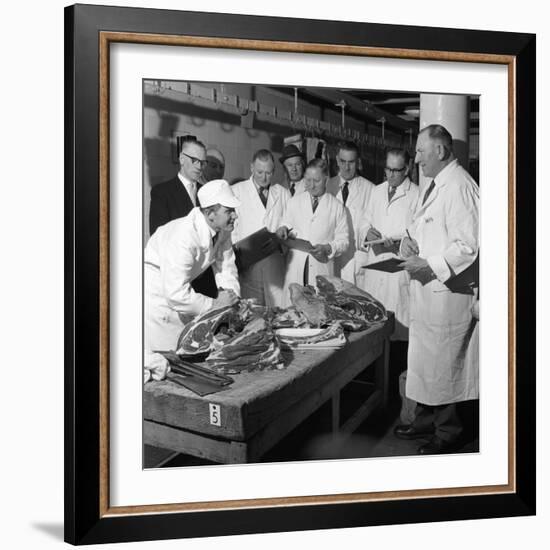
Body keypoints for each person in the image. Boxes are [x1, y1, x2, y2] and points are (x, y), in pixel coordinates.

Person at [394, 124, 479, 455]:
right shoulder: (437, 185)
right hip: (429, 294)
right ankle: (425, 421)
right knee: (427, 363)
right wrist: (409, 241)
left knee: (446, 365)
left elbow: (468, 246)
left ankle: (449, 432)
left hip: (448, 295)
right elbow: (428, 228)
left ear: (441, 151)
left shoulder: (459, 187)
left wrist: (429, 265)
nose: (416, 159)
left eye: (420, 151)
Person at [144, 179, 241, 353]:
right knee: (167, 358)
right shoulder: (183, 236)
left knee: (185, 351)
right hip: (159, 298)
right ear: (211, 214)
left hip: (178, 292)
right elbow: (175, 294)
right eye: (229, 211)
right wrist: (215, 304)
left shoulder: (222, 229)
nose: (235, 215)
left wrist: (230, 299)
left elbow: (226, 266)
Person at [359, 148, 419, 340]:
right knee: (373, 333)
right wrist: (367, 232)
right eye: (388, 169)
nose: (391, 175)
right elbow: (364, 221)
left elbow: (419, 234)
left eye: (396, 170)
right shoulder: (376, 191)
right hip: (375, 268)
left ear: (407, 169)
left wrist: (400, 244)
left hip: (398, 271)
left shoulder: (417, 195)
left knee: (398, 334)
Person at [149, 136, 217, 298]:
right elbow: (159, 236)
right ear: (181, 159)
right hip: (178, 280)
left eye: (203, 162)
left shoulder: (208, 193)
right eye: (194, 160)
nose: (199, 166)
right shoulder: (162, 192)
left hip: (206, 279)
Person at [277, 158, 350, 301]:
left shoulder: (336, 206)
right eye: (308, 180)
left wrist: (328, 247)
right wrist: (282, 229)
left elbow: (344, 241)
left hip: (321, 267)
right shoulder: (294, 202)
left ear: (326, 180)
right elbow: (285, 223)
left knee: (319, 314)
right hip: (296, 267)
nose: (311, 185)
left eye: (316, 180)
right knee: (292, 314)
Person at [231, 149, 291, 307]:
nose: (264, 177)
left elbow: (292, 222)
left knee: (278, 313)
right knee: (252, 315)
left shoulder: (283, 194)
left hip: (275, 265)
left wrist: (285, 229)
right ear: (251, 168)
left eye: (269, 173)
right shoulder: (236, 191)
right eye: (260, 172)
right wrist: (237, 260)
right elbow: (230, 230)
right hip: (248, 266)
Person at [326, 141, 374, 285]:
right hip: (332, 260)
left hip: (357, 262)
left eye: (351, 162)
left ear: (358, 162)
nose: (346, 167)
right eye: (343, 161)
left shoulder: (371, 189)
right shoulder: (327, 186)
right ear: (337, 160)